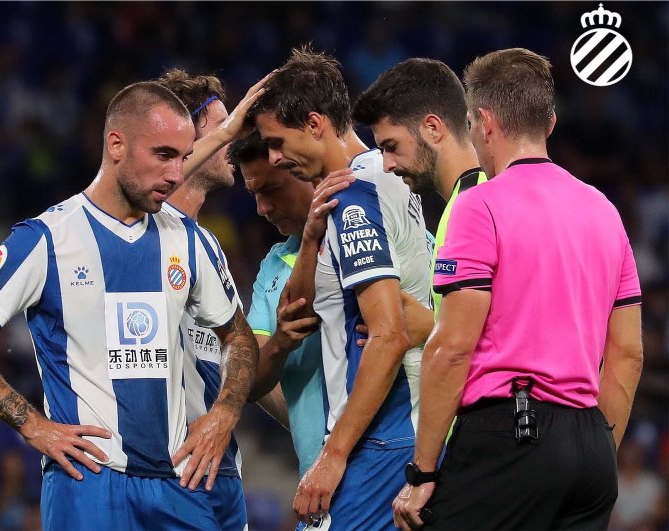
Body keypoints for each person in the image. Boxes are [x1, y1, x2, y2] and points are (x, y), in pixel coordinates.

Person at [0, 81, 259, 531]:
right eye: (163, 155)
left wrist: (225, 412)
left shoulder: (189, 239)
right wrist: (32, 425)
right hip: (88, 482)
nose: (177, 175)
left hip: (177, 484)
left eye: (183, 158)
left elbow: (237, 335)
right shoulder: (46, 239)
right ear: (116, 145)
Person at [394, 48, 643, 531]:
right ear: (549, 122)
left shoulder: (478, 205)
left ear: (483, 123)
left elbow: (450, 349)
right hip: (591, 447)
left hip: (510, 436)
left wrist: (422, 471)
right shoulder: (606, 214)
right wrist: (595, 448)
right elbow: (628, 354)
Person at [251, 47, 433, 529]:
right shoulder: (389, 176)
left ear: (314, 124)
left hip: (377, 436)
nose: (273, 157)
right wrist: (310, 238)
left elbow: (390, 333)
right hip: (411, 428)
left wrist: (332, 455)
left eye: (276, 141)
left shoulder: (352, 200)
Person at [157, 68, 248, 531]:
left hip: (222, 467)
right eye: (224, 126)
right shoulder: (139, 228)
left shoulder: (206, 244)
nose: (236, 139)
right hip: (172, 469)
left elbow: (232, 351)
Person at [352, 57, 488, 320]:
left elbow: (467, 346)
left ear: (432, 129)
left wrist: (428, 328)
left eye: (391, 146)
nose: (387, 165)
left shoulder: (473, 210)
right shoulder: (478, 199)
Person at [228, 131, 326, 478]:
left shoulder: (373, 235)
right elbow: (251, 383)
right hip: (318, 474)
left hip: (392, 463)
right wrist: (282, 342)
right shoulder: (274, 264)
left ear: (304, 170)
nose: (262, 209)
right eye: (253, 194)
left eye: (271, 189)